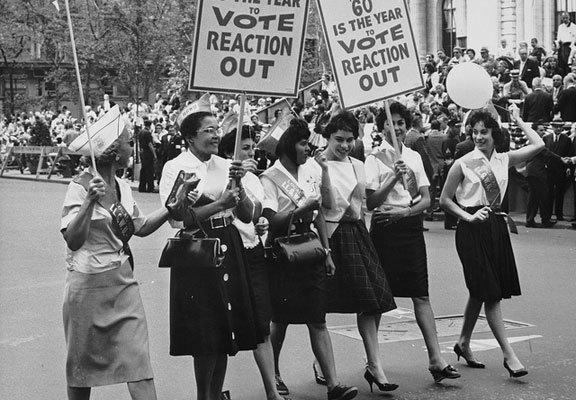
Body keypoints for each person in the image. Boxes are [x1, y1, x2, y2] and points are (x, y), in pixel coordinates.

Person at [61, 109, 176, 400]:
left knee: (139, 363)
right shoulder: (79, 187)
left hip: (124, 285)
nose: (131, 146)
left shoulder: (123, 187)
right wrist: (89, 202)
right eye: (127, 141)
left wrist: (173, 206)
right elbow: (73, 240)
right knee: (81, 369)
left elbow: (140, 226)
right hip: (87, 287)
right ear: (112, 150)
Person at [159, 93, 262, 400]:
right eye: (208, 130)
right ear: (190, 137)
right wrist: (220, 203)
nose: (216, 134)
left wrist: (239, 188)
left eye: (217, 129)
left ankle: (215, 394)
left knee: (224, 331)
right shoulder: (175, 167)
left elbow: (246, 214)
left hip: (228, 244)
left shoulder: (227, 165)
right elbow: (178, 220)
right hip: (198, 251)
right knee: (205, 334)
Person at [439, 110, 545, 379]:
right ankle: (510, 356)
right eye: (474, 132)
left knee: (481, 290)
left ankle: (462, 342)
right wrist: (468, 216)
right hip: (472, 229)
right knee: (491, 293)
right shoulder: (463, 163)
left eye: (484, 132)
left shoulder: (503, 159)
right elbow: (445, 200)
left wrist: (518, 119)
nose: (478, 137)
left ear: (493, 133)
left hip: (496, 228)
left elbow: (539, 145)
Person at [260, 118, 358, 400]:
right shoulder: (270, 177)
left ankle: (333, 384)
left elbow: (321, 215)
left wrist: (327, 252)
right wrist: (300, 209)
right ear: (288, 144)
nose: (307, 148)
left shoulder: (311, 169)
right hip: (282, 250)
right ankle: (274, 373)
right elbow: (272, 221)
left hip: (311, 247)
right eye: (302, 143)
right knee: (281, 319)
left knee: (318, 318)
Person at [365, 102, 461, 383]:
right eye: (389, 123)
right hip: (383, 229)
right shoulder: (374, 159)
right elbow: (370, 202)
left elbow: (426, 200)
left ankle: (436, 358)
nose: (395, 128)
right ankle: (374, 363)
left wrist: (406, 211)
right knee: (378, 299)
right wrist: (393, 176)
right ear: (381, 126)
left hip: (409, 229)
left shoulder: (414, 158)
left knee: (421, 293)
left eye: (400, 123)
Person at [314, 111, 398, 392]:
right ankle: (320, 361)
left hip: (357, 233)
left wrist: (393, 179)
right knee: (316, 307)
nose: (345, 145)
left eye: (350, 139)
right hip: (328, 236)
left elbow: (369, 203)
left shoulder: (359, 165)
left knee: (374, 299)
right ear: (327, 137)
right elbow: (321, 206)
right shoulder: (315, 165)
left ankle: (374, 365)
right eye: (339, 139)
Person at [217, 127, 285, 400]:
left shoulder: (254, 179)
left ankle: (272, 390)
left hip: (252, 250)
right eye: (244, 148)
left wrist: (262, 223)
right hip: (227, 253)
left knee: (262, 323)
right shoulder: (216, 175)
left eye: (251, 147)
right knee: (223, 324)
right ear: (228, 153)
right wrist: (235, 180)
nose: (251, 152)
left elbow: (253, 213)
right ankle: (215, 390)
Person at [525, 122, 565, 228]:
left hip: (532, 171)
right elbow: (547, 153)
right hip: (537, 172)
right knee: (543, 195)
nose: (543, 132)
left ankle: (530, 220)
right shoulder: (537, 142)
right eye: (540, 130)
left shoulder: (532, 140)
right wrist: (561, 159)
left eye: (543, 130)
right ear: (535, 131)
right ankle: (545, 220)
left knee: (533, 197)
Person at [544, 120, 574, 221]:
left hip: (561, 169)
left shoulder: (566, 139)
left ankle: (559, 214)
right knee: (548, 193)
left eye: (560, 127)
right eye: (556, 126)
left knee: (560, 193)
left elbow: (569, 154)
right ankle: (547, 214)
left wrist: (568, 167)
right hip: (549, 169)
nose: (558, 129)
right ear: (552, 127)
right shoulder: (546, 138)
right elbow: (545, 153)